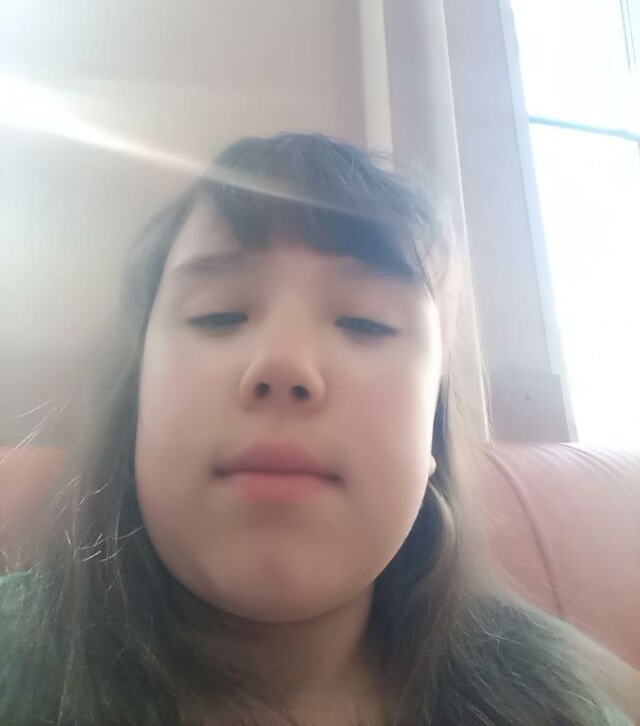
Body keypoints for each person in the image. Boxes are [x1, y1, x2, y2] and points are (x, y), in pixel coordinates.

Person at [0, 133, 636, 725]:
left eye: (366, 322)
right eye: (219, 315)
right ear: (137, 401)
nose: (283, 363)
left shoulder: (560, 690)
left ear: (432, 438)